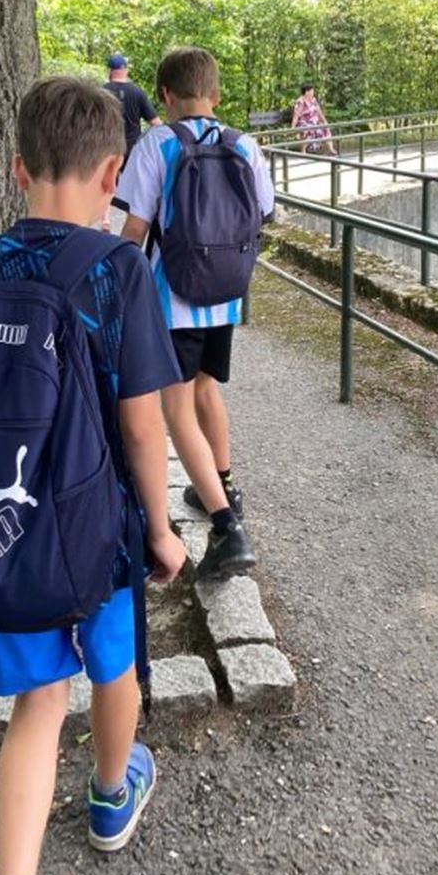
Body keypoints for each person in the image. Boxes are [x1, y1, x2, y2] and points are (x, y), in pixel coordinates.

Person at [0, 77, 186, 875]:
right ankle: (112, 795)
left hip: (7, 530)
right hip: (101, 529)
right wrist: (160, 528)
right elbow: (142, 423)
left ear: (18, 169)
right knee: (113, 669)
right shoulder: (119, 269)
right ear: (114, 173)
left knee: (38, 704)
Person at [114, 47, 275, 580]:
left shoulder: (157, 145)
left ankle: (227, 528)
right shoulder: (245, 145)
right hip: (227, 295)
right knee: (207, 388)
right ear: (216, 95)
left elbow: (134, 230)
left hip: (173, 299)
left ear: (164, 95)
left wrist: (115, 291)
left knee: (176, 406)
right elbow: (263, 213)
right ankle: (221, 485)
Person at [103, 54, 162, 163]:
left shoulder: (102, 92)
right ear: (126, 70)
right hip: (132, 151)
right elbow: (156, 124)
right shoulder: (137, 92)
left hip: (108, 149)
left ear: (110, 71)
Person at [292, 82, 336, 155]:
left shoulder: (313, 100)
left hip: (314, 121)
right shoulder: (300, 102)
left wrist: (325, 121)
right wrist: (293, 128)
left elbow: (319, 112)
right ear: (306, 92)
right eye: (311, 91)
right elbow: (296, 115)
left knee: (324, 128)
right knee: (309, 128)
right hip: (303, 122)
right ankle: (303, 150)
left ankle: (331, 149)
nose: (313, 92)